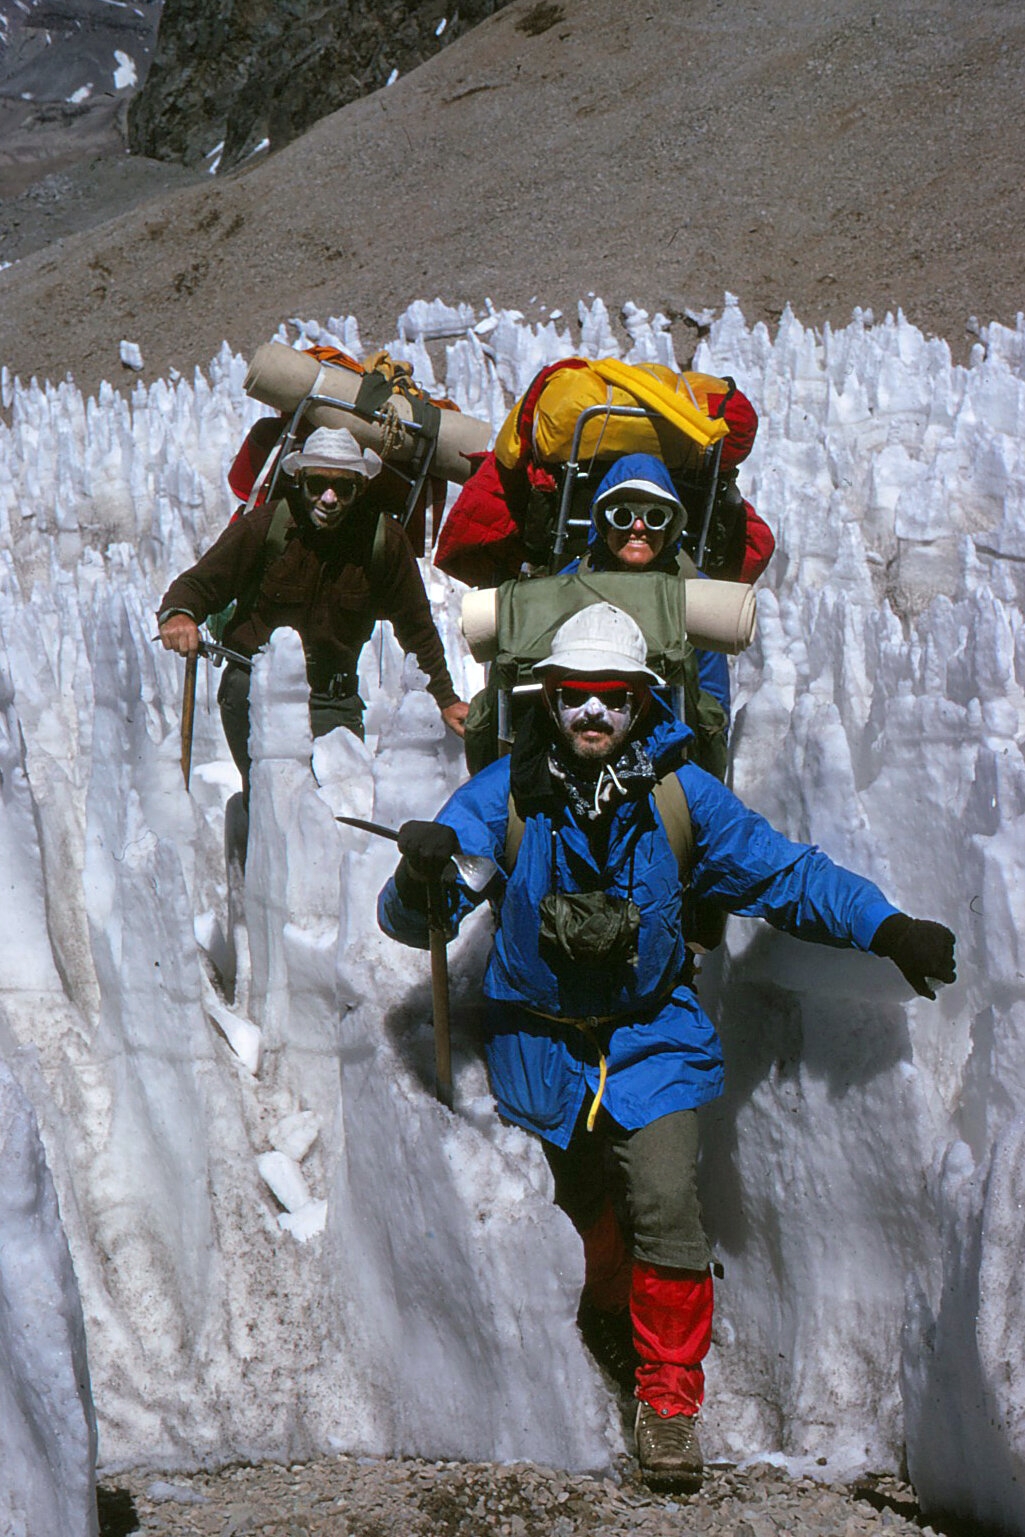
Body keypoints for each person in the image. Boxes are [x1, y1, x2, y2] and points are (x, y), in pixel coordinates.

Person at [377, 602, 956, 1492]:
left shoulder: (679, 795)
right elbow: (421, 909)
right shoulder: (504, 794)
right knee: (576, 1213)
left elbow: (784, 874)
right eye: (576, 699)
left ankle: (669, 1401)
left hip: (653, 1039)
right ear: (550, 700)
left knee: (665, 1203)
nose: (594, 716)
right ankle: (607, 1304)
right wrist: (419, 875)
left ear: (642, 703)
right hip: (540, 1049)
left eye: (613, 698)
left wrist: (887, 928)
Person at [157, 426, 469, 796]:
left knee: (339, 800)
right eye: (317, 483)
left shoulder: (384, 541)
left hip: (332, 698)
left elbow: (416, 627)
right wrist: (179, 614)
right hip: (256, 690)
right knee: (271, 798)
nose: (330, 498)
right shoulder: (264, 527)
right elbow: (198, 585)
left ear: (360, 488)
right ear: (300, 482)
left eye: (344, 487)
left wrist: (446, 700)